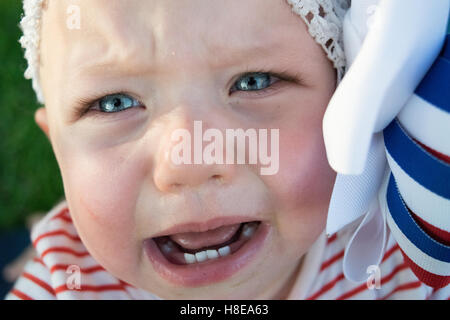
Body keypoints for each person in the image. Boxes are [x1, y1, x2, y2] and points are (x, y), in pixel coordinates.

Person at [5, 0, 449, 299]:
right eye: (113, 103)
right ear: (58, 150)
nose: (192, 162)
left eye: (253, 82)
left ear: (348, 96)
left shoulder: (410, 256)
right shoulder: (61, 286)